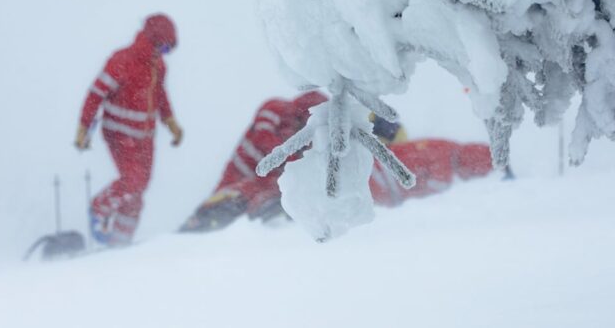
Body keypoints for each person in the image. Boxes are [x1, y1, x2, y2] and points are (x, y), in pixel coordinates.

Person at [182, 98, 494, 232]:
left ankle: (224, 213)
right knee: (270, 194)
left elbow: (460, 155)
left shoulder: (409, 153)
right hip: (281, 195)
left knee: (271, 195)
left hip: (295, 200)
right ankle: (222, 212)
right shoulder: (356, 155)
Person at [75, 13, 183, 246]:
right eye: (164, 48)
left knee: (139, 189)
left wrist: (170, 121)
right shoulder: (122, 60)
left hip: (145, 137)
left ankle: (120, 241)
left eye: (168, 51)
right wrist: (84, 127)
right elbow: (96, 93)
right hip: (119, 133)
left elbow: (160, 96)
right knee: (133, 181)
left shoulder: (158, 67)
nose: (164, 55)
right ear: (154, 40)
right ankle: (98, 208)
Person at [181, 91, 328, 232]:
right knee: (229, 199)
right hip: (238, 174)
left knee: (269, 196)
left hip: (265, 184)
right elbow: (263, 136)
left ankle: (268, 220)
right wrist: (290, 159)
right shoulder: (276, 107)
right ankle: (197, 223)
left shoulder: (307, 137)